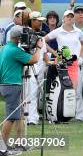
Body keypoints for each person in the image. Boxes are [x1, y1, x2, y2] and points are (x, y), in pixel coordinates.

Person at [0, 26, 44, 156]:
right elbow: (34, 60)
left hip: (8, 84)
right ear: (19, 38)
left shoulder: (6, 48)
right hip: (12, 85)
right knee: (11, 117)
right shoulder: (14, 50)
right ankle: (2, 148)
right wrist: (39, 47)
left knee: (18, 115)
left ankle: (18, 143)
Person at [44, 10, 83, 95]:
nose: (70, 18)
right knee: (63, 91)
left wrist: (81, 57)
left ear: (74, 19)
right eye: (68, 16)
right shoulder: (58, 31)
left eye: (71, 16)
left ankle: (71, 108)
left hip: (74, 64)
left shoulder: (78, 32)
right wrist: (53, 52)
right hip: (61, 64)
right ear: (64, 19)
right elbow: (42, 40)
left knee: (73, 90)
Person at [25, 12, 50, 126]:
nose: (40, 22)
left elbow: (44, 55)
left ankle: (33, 116)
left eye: (41, 20)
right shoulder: (26, 35)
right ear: (32, 20)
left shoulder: (42, 36)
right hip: (30, 67)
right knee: (31, 94)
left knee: (36, 94)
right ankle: (31, 119)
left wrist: (51, 63)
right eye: (38, 20)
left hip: (41, 68)